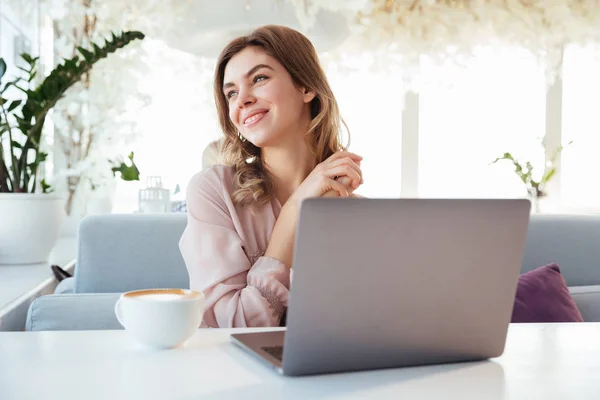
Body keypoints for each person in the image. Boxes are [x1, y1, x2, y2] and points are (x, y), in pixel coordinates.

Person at [179, 25, 363, 328]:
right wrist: (294, 211)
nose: (242, 101)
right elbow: (230, 328)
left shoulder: (353, 208)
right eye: (232, 93)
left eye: (259, 79)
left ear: (305, 87)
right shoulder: (213, 191)